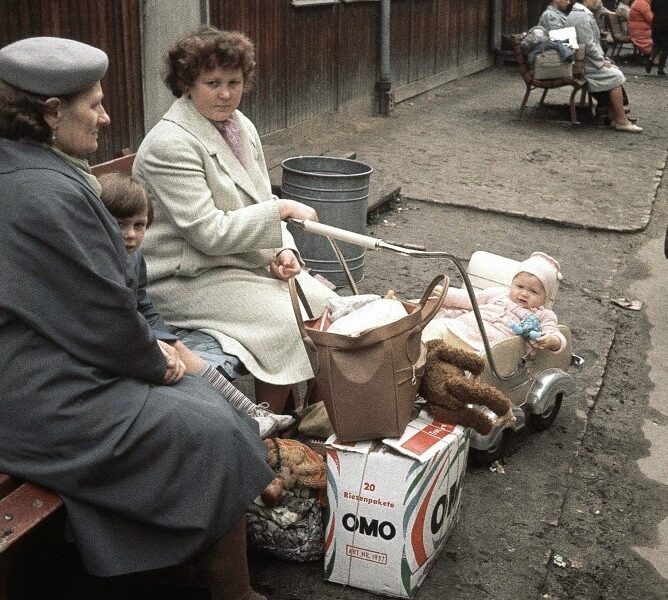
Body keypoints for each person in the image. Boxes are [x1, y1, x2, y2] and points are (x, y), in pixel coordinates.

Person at [0, 36, 275, 600]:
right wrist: (155, 358)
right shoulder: (40, 193)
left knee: (207, 408)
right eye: (95, 104)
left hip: (47, 359)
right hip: (32, 390)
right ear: (52, 112)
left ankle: (173, 569)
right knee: (207, 429)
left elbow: (97, 308)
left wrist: (156, 354)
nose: (105, 116)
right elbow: (101, 315)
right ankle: (227, 591)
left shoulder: (31, 166)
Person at [133, 26, 337, 414]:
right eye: (212, 82)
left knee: (326, 306)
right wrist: (280, 213)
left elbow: (262, 198)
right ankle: (268, 426)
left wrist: (283, 251)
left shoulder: (241, 127)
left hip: (234, 264)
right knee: (283, 322)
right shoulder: (168, 144)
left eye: (234, 82)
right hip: (183, 280)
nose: (226, 94)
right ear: (186, 84)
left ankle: (317, 417)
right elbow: (209, 233)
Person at [98, 172, 295, 438]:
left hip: (137, 334)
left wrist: (167, 340)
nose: (130, 235)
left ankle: (249, 411)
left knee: (182, 352)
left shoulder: (134, 259)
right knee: (179, 374)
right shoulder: (99, 263)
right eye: (119, 224)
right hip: (113, 351)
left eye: (139, 225)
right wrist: (156, 346)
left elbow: (143, 306)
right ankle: (245, 417)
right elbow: (115, 317)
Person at [423, 253, 567, 355]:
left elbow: (555, 334)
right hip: (461, 330)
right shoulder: (497, 294)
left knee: (476, 359)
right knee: (435, 326)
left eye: (533, 292)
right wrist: (445, 294)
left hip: (488, 349)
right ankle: (416, 362)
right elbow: (469, 299)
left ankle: (433, 360)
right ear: (512, 284)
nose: (524, 293)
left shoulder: (543, 315)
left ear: (545, 298)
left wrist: (552, 340)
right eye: (520, 287)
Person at [567, 0, 643, 132]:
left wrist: (603, 59)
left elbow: (590, 45)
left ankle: (614, 114)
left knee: (613, 70)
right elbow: (589, 45)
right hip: (584, 65)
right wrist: (602, 62)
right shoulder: (582, 16)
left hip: (583, 61)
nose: (598, 0)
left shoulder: (580, 14)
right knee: (615, 75)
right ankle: (621, 120)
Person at [648, 0, 668, 75]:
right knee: (665, 47)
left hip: (656, 23)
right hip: (666, 25)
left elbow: (652, 9)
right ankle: (660, 68)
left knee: (657, 44)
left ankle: (650, 60)